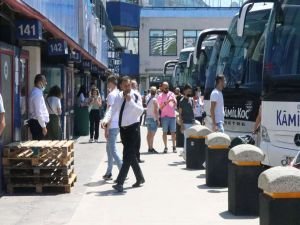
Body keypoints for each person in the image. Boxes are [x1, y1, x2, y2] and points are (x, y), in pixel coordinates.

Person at [104, 76, 145, 193]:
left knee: (127, 156)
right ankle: (140, 178)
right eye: (125, 85)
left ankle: (120, 182)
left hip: (133, 128)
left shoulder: (135, 95)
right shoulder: (118, 96)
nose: (128, 87)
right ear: (121, 86)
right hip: (123, 129)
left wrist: (130, 101)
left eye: (129, 85)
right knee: (130, 155)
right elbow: (112, 109)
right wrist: (106, 120)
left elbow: (140, 111)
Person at [101, 75, 123, 181]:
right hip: (118, 124)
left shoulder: (111, 95)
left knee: (112, 149)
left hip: (112, 125)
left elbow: (109, 112)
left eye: (108, 83)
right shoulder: (119, 94)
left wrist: (106, 128)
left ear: (110, 83)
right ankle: (109, 172)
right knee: (109, 149)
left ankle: (122, 170)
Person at [157, 82, 177, 153]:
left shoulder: (172, 94)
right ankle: (165, 147)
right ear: (162, 87)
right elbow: (160, 107)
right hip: (164, 116)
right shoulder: (160, 96)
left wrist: (174, 102)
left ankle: (174, 147)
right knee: (164, 132)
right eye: (165, 87)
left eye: (168, 87)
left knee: (173, 132)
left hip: (172, 116)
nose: (167, 88)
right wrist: (167, 102)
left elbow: (175, 104)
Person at [28, 74, 49, 140]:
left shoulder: (37, 92)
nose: (46, 83)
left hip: (38, 123)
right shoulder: (37, 94)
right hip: (38, 124)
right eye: (44, 81)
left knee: (39, 146)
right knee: (38, 146)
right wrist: (43, 126)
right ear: (40, 82)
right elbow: (38, 112)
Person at [179, 84, 195, 156]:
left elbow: (192, 111)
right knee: (186, 140)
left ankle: (189, 154)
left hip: (192, 122)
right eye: (188, 91)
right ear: (184, 91)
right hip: (186, 123)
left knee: (192, 140)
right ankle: (185, 155)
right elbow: (180, 114)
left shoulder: (191, 99)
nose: (190, 93)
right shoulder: (182, 101)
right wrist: (182, 125)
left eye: (190, 91)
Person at [131, 79, 144, 163]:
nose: (136, 86)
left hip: (136, 118)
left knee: (135, 139)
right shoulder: (134, 93)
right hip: (134, 119)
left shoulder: (136, 93)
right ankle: (135, 157)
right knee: (136, 139)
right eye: (134, 84)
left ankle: (135, 156)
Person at [146, 86, 160, 154]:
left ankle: (149, 147)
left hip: (148, 118)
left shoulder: (148, 98)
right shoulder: (155, 100)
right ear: (156, 92)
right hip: (153, 118)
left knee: (149, 134)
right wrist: (158, 120)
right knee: (152, 135)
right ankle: (151, 148)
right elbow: (156, 111)